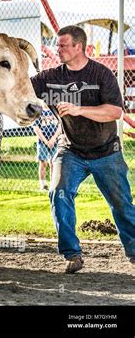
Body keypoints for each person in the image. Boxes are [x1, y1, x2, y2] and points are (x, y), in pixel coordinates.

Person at [31, 25, 135, 273]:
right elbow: (21, 89)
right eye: (58, 45)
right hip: (70, 150)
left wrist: (80, 110)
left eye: (63, 45)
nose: (58, 49)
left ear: (79, 46)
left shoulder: (101, 74)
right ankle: (72, 254)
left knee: (122, 205)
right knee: (59, 192)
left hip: (106, 151)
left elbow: (115, 111)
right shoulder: (51, 77)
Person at [32, 104, 61, 191]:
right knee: (43, 163)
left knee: (53, 163)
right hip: (42, 142)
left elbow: (60, 126)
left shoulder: (55, 111)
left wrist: (53, 138)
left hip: (55, 141)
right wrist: (46, 141)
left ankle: (53, 184)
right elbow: (36, 128)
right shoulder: (39, 112)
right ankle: (43, 185)